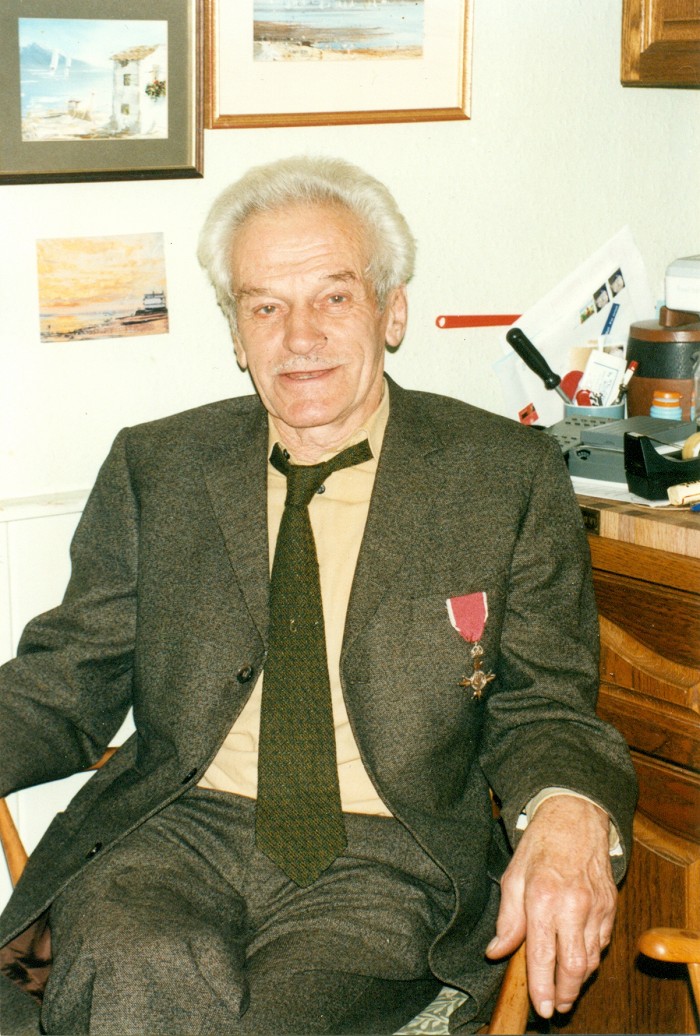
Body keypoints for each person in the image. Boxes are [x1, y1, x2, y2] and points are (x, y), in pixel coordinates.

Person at [0, 155, 637, 1035]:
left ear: (392, 311)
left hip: (387, 858)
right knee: (133, 961)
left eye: (334, 297)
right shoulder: (160, 467)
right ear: (237, 334)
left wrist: (569, 806)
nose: (299, 337)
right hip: (177, 831)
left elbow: (546, 704)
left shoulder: (503, 475)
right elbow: (66, 680)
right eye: (265, 306)